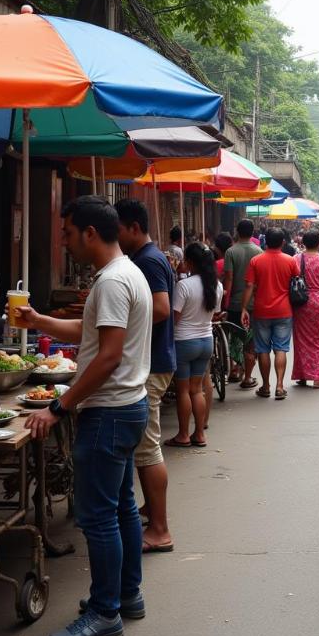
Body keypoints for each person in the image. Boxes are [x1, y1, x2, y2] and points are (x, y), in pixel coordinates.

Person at [20, 196, 152, 636]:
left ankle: (104, 612)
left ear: (90, 234)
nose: (64, 240)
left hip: (110, 411)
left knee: (98, 518)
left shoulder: (114, 281)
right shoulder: (123, 273)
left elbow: (109, 356)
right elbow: (92, 334)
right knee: (119, 509)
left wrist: (59, 407)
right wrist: (40, 320)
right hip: (127, 407)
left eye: (67, 232)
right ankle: (125, 596)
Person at [115, 200, 175, 554]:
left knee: (148, 448)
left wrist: (124, 324)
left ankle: (160, 529)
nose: (116, 237)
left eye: (118, 229)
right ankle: (151, 512)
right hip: (154, 360)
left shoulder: (149, 260)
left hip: (151, 364)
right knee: (144, 446)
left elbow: (163, 308)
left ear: (133, 227)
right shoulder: (150, 258)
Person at [164, 242, 223, 449]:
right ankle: (199, 434)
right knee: (197, 391)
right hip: (206, 340)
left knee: (183, 391)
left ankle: (183, 435)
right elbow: (214, 313)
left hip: (184, 343)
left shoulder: (184, 286)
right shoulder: (217, 285)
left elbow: (175, 319)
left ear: (190, 262)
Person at [241, 227, 300, 401]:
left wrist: (244, 308)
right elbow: (297, 281)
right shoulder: (290, 260)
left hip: (261, 311)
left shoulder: (256, 261)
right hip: (284, 310)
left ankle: (266, 386)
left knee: (263, 349)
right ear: (283, 242)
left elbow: (249, 286)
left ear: (265, 240)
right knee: (281, 348)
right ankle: (280, 387)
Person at [292, 230, 319, 388]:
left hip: (300, 302)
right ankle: (317, 378)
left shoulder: (296, 259)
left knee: (301, 339)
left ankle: (302, 375)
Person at [224, 219, 262, 389]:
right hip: (253, 303)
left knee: (235, 338)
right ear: (253, 231)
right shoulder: (259, 251)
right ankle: (247, 377)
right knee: (249, 340)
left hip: (234, 303)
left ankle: (235, 370)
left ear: (237, 232)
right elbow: (258, 281)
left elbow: (229, 278)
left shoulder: (230, 252)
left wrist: (225, 300)